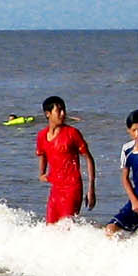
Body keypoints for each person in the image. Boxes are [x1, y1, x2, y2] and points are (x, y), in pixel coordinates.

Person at [35, 95, 96, 224]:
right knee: (50, 228)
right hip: (55, 188)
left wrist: (91, 188)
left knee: (66, 228)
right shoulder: (41, 136)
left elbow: (89, 158)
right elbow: (42, 154)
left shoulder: (72, 133)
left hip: (72, 188)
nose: (62, 114)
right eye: (59, 111)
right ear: (48, 114)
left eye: (64, 110)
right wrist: (41, 173)